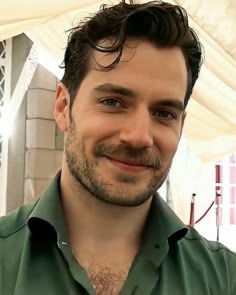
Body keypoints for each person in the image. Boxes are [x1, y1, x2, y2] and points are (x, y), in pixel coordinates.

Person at [0, 0, 236, 294]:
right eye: (112, 102)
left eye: (164, 113)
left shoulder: (224, 278)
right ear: (63, 106)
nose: (138, 136)